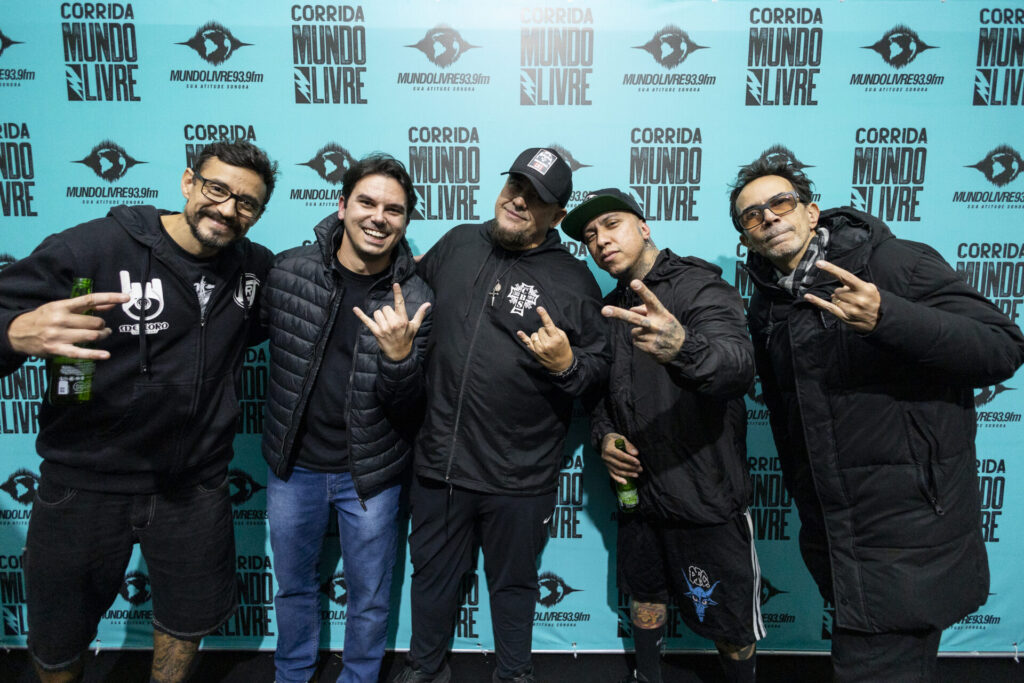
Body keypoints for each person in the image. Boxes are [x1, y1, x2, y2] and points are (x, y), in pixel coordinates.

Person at [729, 156, 1024, 682]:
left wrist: (888, 317)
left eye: (781, 203)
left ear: (811, 212)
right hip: (838, 536)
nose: (769, 217)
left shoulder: (894, 263)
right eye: (752, 215)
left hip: (910, 530)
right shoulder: (768, 305)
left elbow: (1001, 347)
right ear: (746, 238)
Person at [0, 140, 278, 683]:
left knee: (186, 620)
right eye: (216, 189)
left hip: (193, 487)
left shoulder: (253, 269)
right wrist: (12, 333)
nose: (227, 209)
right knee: (58, 636)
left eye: (246, 202)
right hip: (84, 483)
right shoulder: (93, 249)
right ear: (188, 182)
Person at [393, 148, 611, 683]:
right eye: (516, 185)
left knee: (513, 587)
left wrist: (568, 365)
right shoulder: (458, 242)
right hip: (440, 463)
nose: (518, 200)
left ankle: (514, 674)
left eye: (536, 197)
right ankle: (424, 669)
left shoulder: (573, 281)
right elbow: (403, 295)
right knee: (432, 581)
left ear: (557, 216)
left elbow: (600, 370)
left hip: (520, 475)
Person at [561, 189, 763, 683]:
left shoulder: (699, 287)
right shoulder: (611, 308)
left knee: (730, 626)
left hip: (704, 497)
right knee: (645, 600)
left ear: (644, 227)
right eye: (590, 236)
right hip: (639, 500)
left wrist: (682, 347)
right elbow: (602, 397)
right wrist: (605, 438)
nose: (600, 240)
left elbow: (738, 367)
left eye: (612, 224)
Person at [261, 153, 433, 683]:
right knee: (293, 587)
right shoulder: (288, 271)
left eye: (394, 210)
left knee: (370, 597)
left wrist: (400, 360)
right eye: (367, 202)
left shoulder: (417, 298)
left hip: (371, 475)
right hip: (294, 468)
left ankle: (359, 678)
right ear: (341, 206)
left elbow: (410, 409)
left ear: (405, 221)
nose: (379, 217)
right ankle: (292, 673)